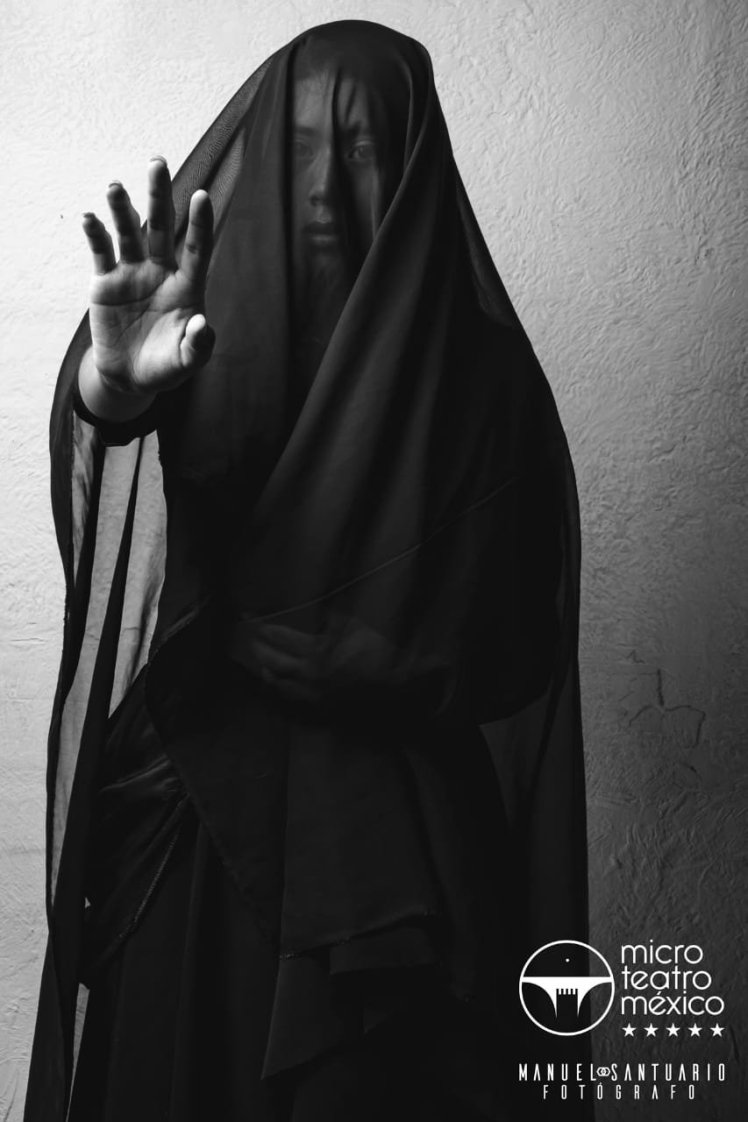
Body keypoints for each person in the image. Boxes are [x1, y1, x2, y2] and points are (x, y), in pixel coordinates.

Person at [24, 20, 591, 1122]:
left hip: (397, 856)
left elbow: (518, 637)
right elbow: (109, 492)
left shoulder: (485, 379)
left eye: (363, 145)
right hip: (202, 821)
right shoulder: (199, 336)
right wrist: (112, 388)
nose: (328, 180)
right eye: (302, 145)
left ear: (413, 166)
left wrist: (374, 649)